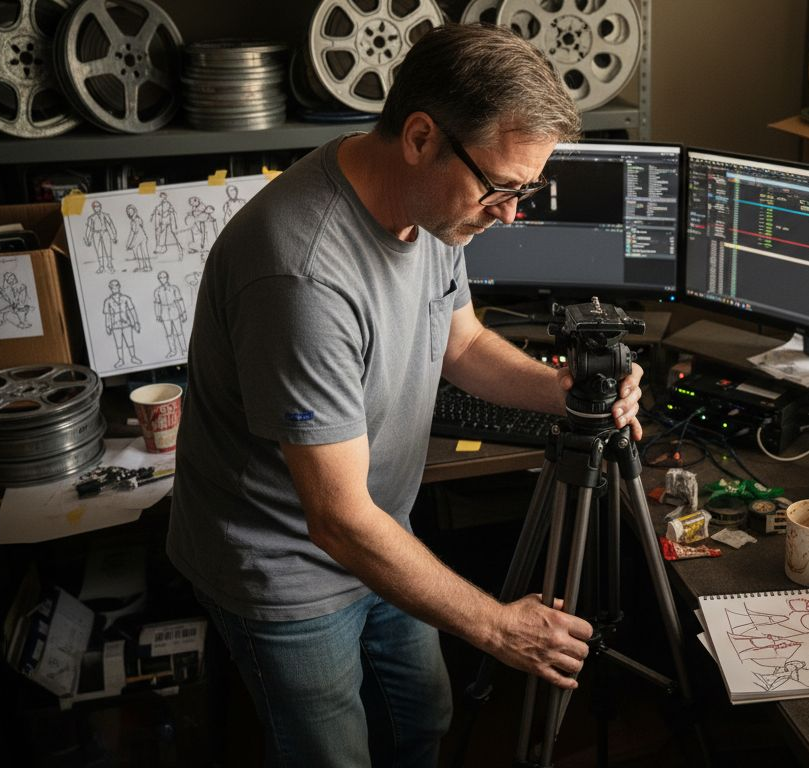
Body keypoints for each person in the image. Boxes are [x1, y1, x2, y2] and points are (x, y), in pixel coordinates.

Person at [166, 24, 643, 768]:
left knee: (423, 717)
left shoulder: (429, 211)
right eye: (501, 187)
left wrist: (566, 392)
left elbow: (463, 343)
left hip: (379, 531)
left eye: (525, 191)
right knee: (334, 757)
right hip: (286, 565)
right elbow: (337, 520)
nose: (510, 214)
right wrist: (498, 627)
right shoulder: (303, 276)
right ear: (421, 137)